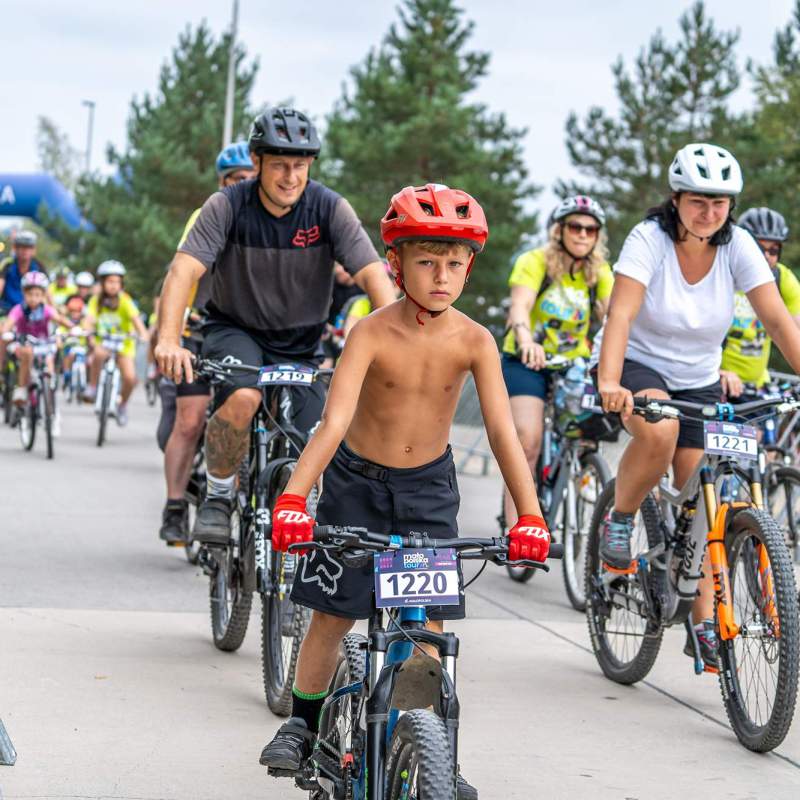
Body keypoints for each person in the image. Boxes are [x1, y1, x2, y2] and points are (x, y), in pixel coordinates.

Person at [258, 184, 550, 800]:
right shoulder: (370, 332)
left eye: (455, 263)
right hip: (356, 483)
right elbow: (333, 424)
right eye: (426, 261)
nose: (441, 276)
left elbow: (501, 430)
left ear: (471, 266)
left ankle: (435, 746)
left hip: (428, 491)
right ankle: (304, 723)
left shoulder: (474, 340)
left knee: (428, 628)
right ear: (396, 263)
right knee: (334, 612)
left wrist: (530, 515)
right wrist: (292, 501)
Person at [592, 143, 800, 670]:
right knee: (658, 435)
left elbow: (777, 320)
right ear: (677, 198)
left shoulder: (740, 247)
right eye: (699, 201)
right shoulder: (650, 239)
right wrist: (611, 380)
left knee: (706, 494)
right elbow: (620, 315)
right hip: (638, 366)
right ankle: (620, 517)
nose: (710, 213)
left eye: (721, 203)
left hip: (700, 378)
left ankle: (704, 618)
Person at [155, 106, 396, 546]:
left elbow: (373, 275)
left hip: (301, 342)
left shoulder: (328, 207)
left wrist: (397, 346)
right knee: (243, 397)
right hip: (234, 330)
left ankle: (293, 529)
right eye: (280, 165)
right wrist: (169, 340)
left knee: (318, 434)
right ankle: (219, 495)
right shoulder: (226, 205)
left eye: (300, 166)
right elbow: (183, 271)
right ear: (258, 162)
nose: (290, 177)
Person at [158, 141, 258, 546]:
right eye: (237, 179)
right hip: (200, 328)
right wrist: (171, 332)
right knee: (191, 417)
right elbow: (182, 271)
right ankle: (175, 504)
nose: (246, 185)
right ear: (223, 182)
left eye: (251, 178)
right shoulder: (210, 213)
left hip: (247, 335)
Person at [501, 195, 613, 527]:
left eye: (591, 230)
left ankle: (583, 469)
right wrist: (526, 340)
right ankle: (517, 527)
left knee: (590, 426)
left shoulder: (600, 273)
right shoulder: (534, 261)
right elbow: (520, 306)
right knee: (528, 440)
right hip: (527, 359)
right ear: (559, 230)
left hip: (573, 364)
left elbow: (614, 318)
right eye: (575, 227)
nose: (582, 234)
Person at [719, 207, 800, 397]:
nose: (766, 256)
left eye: (774, 250)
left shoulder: (782, 277)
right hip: (716, 383)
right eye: (759, 248)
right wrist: (716, 373)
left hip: (758, 386)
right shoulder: (723, 274)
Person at [1, 271, 75, 436]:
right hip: (23, 345)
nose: (34, 298)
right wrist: (6, 332)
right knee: (27, 352)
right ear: (24, 294)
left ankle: (49, 400)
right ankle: (21, 388)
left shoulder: (47, 310)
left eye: (38, 294)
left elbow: (61, 320)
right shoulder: (19, 310)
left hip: (43, 346)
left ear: (43, 295)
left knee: (48, 368)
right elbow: (8, 324)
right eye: (30, 294)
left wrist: (73, 328)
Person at [84, 260, 149, 426]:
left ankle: (122, 405)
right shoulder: (95, 300)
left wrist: (143, 335)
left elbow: (137, 321)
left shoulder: (125, 301)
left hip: (123, 346)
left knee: (130, 377)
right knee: (97, 354)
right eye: (110, 281)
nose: (114, 285)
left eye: (117, 282)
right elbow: (89, 320)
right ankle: (92, 387)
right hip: (103, 343)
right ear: (102, 282)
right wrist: (87, 332)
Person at [0, 230, 45, 314]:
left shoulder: (39, 267)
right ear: (15, 248)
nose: (25, 250)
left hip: (31, 313)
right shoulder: (7, 265)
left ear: (34, 249)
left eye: (29, 247)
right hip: (7, 311)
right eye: (21, 246)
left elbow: (46, 292)